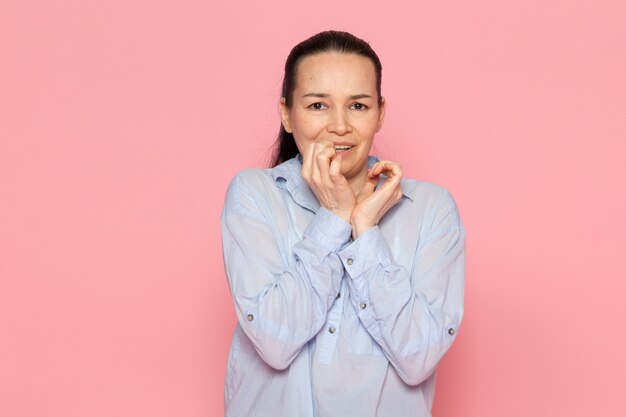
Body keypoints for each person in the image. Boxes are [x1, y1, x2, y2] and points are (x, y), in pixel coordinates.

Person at [220, 30, 465, 417]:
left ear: (380, 113)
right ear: (286, 113)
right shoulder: (253, 195)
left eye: (358, 106)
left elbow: (419, 357)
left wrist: (365, 229)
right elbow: (273, 340)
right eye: (318, 105)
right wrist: (334, 217)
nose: (339, 126)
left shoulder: (431, 208)